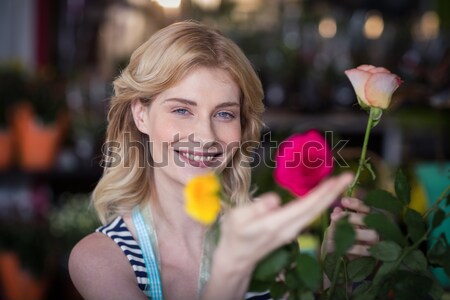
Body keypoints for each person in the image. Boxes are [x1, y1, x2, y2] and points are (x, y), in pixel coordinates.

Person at [68, 20, 378, 300]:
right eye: (182, 110)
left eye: (224, 113)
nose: (206, 136)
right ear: (141, 114)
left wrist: (330, 270)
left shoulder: (272, 249)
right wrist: (231, 268)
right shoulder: (101, 259)